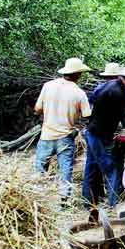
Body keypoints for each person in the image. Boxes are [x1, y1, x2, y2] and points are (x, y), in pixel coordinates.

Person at [82, 60, 125, 209]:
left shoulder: (111, 86)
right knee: (112, 170)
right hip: (98, 135)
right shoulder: (118, 92)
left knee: (91, 168)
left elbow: (122, 110)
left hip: (92, 131)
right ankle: (114, 205)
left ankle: (87, 203)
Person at [34, 57, 92, 206]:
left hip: (46, 134)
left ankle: (37, 197)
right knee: (65, 171)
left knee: (40, 168)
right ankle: (63, 201)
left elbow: (37, 109)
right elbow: (87, 116)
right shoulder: (79, 93)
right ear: (78, 74)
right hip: (66, 137)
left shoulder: (48, 86)